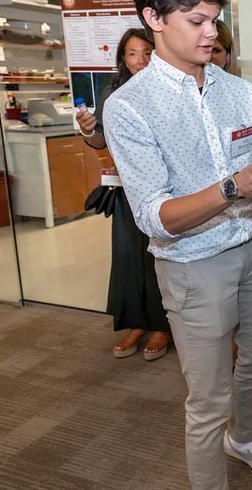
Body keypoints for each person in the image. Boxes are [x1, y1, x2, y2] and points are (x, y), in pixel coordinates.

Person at [103, 0, 252, 490]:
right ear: (155, 18)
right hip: (192, 264)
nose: (212, 32)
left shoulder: (240, 92)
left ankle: (246, 436)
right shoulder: (129, 108)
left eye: (214, 18)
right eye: (197, 20)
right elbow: (154, 217)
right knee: (208, 398)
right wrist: (235, 185)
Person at [76, 27, 172, 361]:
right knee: (130, 257)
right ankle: (137, 322)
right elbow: (100, 141)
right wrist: (88, 130)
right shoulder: (112, 92)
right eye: (132, 53)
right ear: (123, 58)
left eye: (147, 52)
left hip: (163, 189)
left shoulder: (168, 88)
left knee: (159, 256)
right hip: (126, 190)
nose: (140, 60)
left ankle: (163, 325)